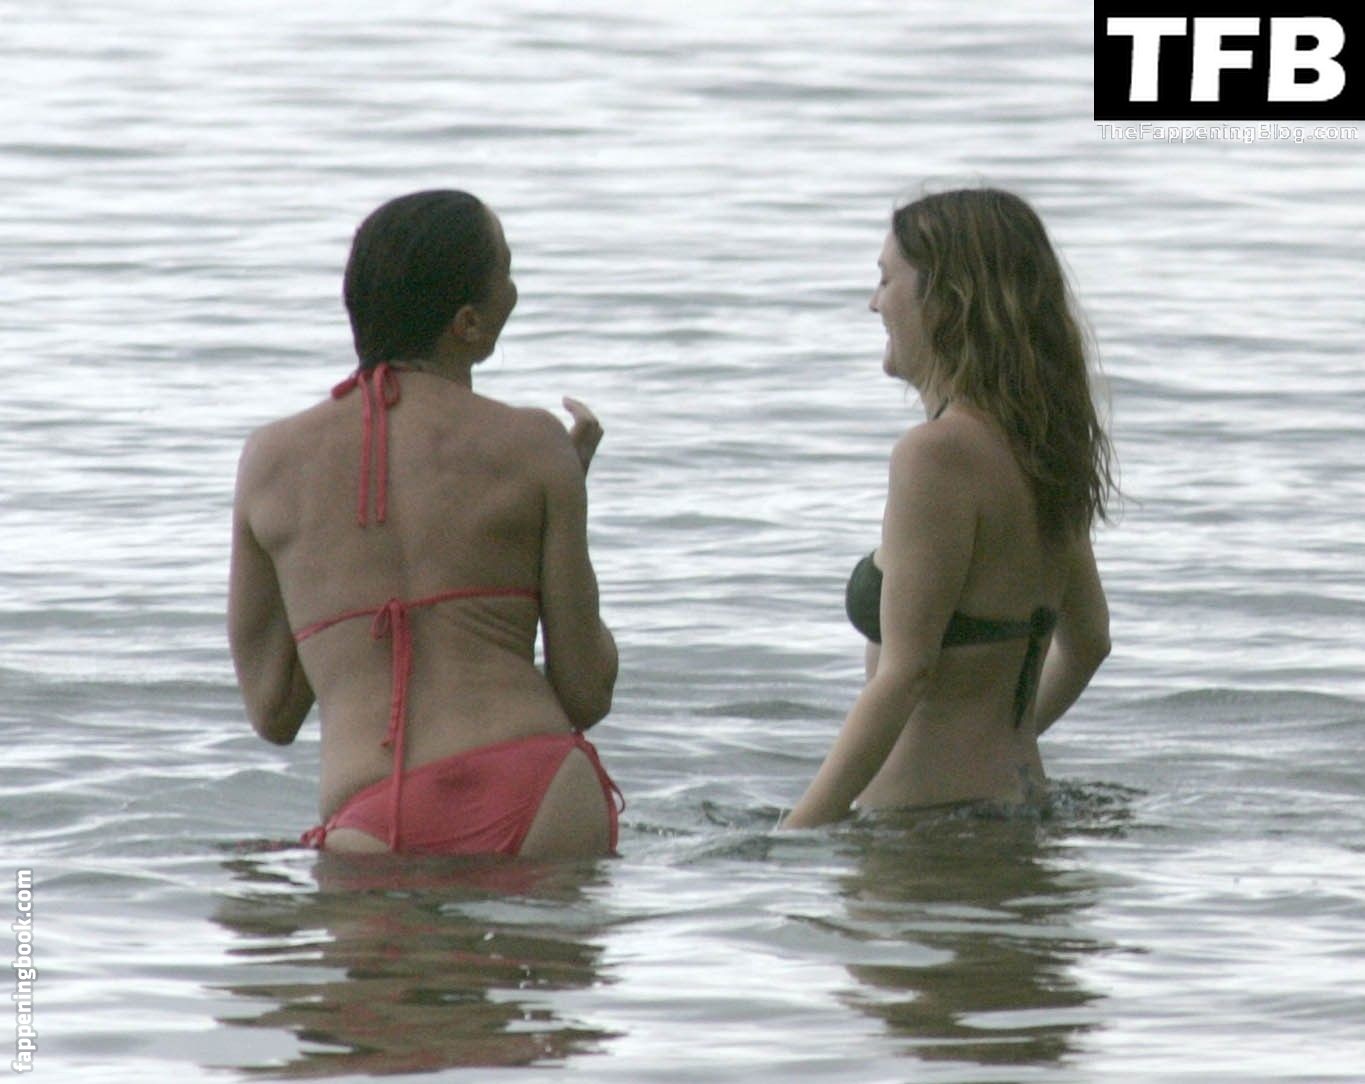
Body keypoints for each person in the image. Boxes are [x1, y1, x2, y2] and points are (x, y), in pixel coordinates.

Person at [229, 190, 622, 858]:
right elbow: (585, 691)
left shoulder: (270, 460)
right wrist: (561, 492)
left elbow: (274, 712)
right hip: (542, 787)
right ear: (469, 323)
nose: (516, 291)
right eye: (508, 272)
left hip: (375, 816)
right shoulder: (535, 445)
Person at [782, 187, 1114, 829]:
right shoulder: (1041, 446)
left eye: (886, 281)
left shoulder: (933, 455)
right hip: (1017, 809)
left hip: (926, 831)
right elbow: (1089, 642)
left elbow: (905, 674)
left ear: (946, 299)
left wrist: (794, 835)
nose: (874, 302)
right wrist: (1001, 749)